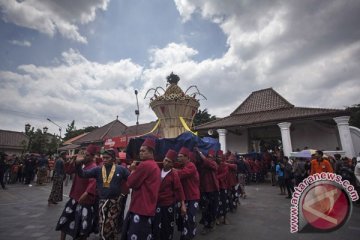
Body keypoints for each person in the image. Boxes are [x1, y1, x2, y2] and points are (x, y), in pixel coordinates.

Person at [76, 147, 129, 240]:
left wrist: (123, 194)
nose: (104, 160)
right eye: (103, 157)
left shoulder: (121, 169)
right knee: (103, 223)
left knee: (110, 225)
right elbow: (82, 174)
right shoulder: (98, 170)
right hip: (102, 202)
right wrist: (78, 165)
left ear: (113, 158)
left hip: (115, 202)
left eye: (107, 158)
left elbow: (131, 181)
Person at [56, 145, 98, 240]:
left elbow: (93, 183)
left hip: (84, 201)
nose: (84, 157)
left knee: (82, 226)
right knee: (65, 220)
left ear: (92, 156)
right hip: (74, 197)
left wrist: (86, 193)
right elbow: (68, 171)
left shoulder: (93, 167)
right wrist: (73, 161)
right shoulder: (81, 164)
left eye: (87, 155)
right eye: (84, 155)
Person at [121, 138, 161, 240]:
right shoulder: (154, 165)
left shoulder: (145, 165)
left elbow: (130, 182)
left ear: (151, 152)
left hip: (140, 207)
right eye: (140, 151)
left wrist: (133, 170)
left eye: (143, 151)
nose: (140, 153)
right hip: (148, 207)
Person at [153, 149, 186, 240]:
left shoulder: (174, 174)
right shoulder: (157, 170)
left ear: (172, 164)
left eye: (169, 161)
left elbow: (179, 190)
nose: (166, 162)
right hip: (156, 203)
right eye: (165, 160)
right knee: (155, 226)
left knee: (167, 227)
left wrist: (183, 205)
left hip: (167, 205)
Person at [176, 147, 200, 240]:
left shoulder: (191, 166)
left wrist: (173, 170)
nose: (179, 158)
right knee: (184, 218)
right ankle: (186, 235)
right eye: (178, 156)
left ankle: (188, 236)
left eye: (181, 156)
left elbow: (182, 174)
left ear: (187, 157)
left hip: (192, 196)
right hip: (185, 197)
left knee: (189, 217)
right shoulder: (183, 166)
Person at [195, 148, 219, 235]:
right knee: (205, 209)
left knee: (212, 208)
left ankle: (212, 223)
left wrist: (200, 153)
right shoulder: (203, 164)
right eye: (208, 156)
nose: (209, 158)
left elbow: (208, 163)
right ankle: (206, 226)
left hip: (213, 190)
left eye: (211, 157)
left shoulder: (214, 164)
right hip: (204, 190)